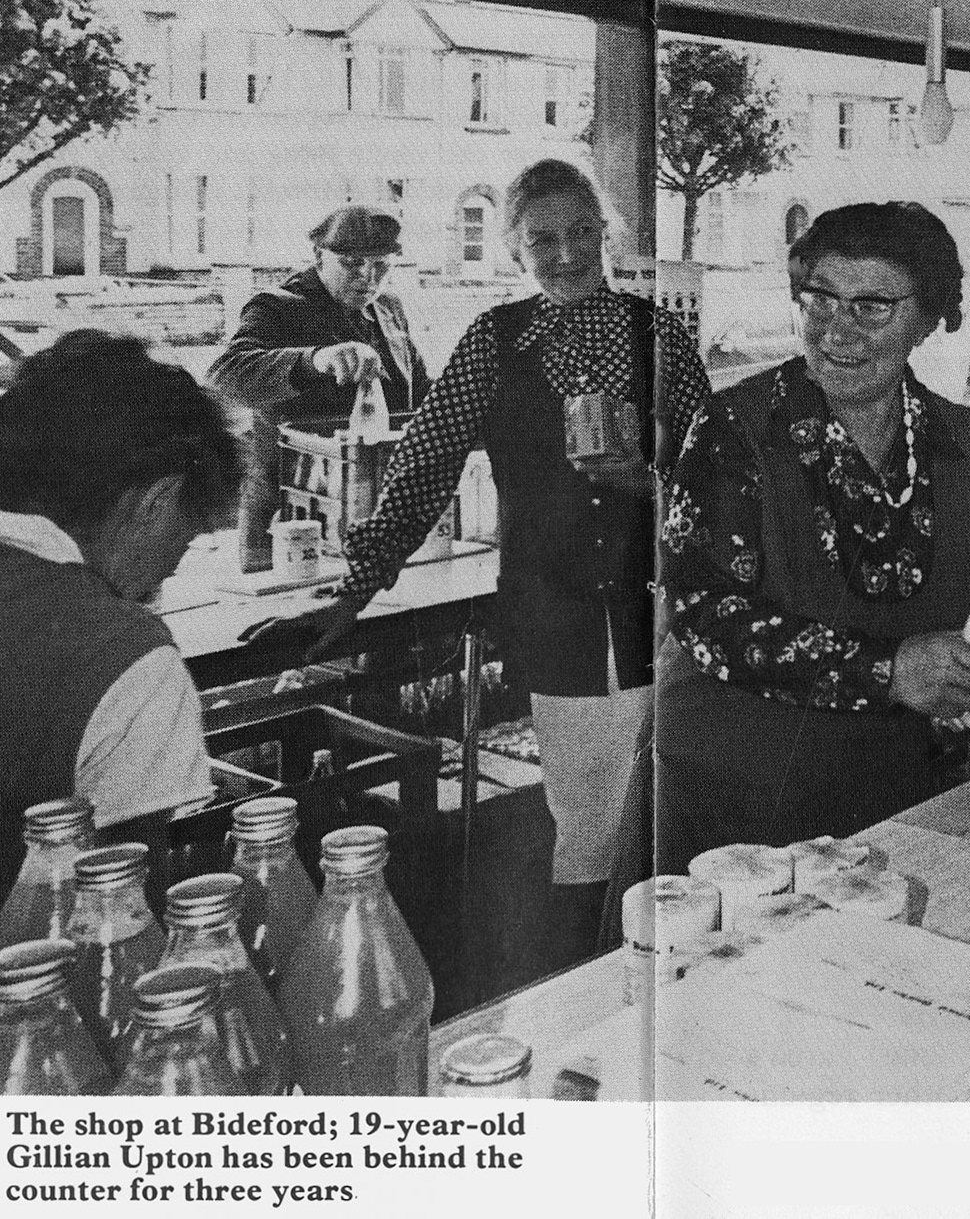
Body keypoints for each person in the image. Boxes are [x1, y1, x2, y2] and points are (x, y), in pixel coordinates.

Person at [253, 160, 708, 964]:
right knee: (590, 821)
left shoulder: (659, 333)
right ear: (514, 249)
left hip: (668, 610)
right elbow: (422, 466)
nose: (565, 253)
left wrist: (650, 480)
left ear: (607, 235)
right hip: (558, 611)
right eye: (542, 239)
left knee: (667, 813)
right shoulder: (495, 342)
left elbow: (722, 475)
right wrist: (351, 595)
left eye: (581, 233)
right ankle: (588, 984)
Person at [655, 202, 970, 873]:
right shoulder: (734, 428)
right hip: (741, 804)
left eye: (873, 305)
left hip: (892, 795)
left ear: (928, 319)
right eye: (820, 299)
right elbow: (703, 611)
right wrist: (888, 668)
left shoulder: (964, 440)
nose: (838, 329)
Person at [0, 331, 241, 898]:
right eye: (182, 543)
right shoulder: (128, 659)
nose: (166, 575)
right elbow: (118, 923)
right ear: (158, 499)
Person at [208, 206, 431, 572]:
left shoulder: (389, 310)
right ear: (318, 256)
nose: (368, 279)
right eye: (351, 264)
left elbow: (419, 393)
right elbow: (225, 378)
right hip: (292, 517)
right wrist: (315, 360)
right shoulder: (277, 308)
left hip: (377, 506)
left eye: (381, 266)